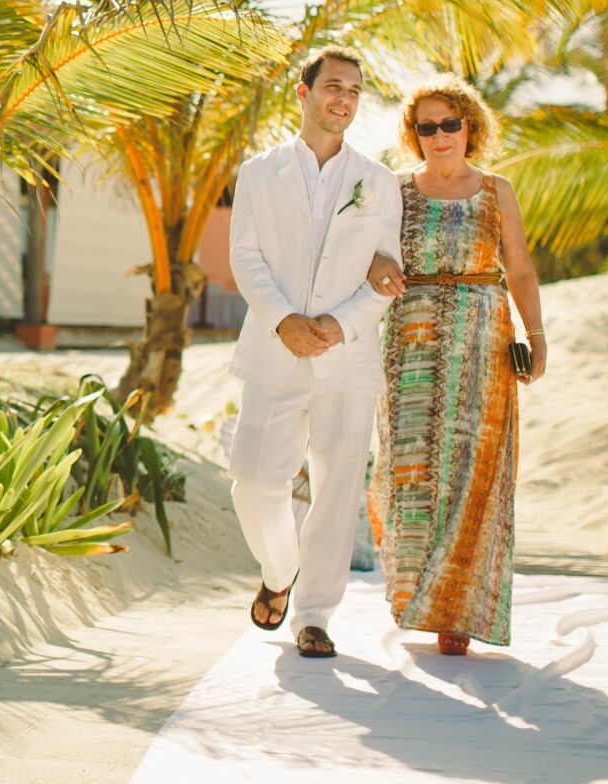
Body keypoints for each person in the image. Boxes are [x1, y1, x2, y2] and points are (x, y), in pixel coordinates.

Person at [227, 47, 403, 659]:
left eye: (354, 91)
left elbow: (388, 275)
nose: (344, 100)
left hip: (346, 359)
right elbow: (245, 258)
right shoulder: (258, 172)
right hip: (275, 352)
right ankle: (279, 571)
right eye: (333, 86)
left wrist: (338, 322)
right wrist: (282, 322)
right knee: (252, 480)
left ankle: (315, 616)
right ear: (303, 94)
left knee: (335, 490)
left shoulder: (378, 181)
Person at [365, 77, 545, 656]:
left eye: (450, 124)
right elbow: (361, 252)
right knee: (411, 473)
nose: (440, 136)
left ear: (470, 126)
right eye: (427, 126)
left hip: (482, 336)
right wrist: (373, 266)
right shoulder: (394, 190)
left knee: (475, 470)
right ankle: (415, 596)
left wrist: (536, 335)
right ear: (413, 135)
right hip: (410, 337)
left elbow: (518, 268)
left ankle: (458, 611)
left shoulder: (497, 190)